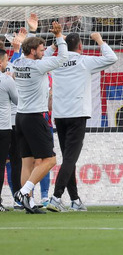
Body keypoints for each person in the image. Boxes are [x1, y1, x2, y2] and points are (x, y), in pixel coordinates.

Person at [45, 32, 118, 213]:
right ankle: (56, 197)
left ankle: (75, 200)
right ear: (80, 47)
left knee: (69, 158)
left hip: (60, 116)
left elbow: (43, 58)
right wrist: (100, 41)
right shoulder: (84, 61)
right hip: (77, 115)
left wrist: (55, 45)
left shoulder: (56, 61)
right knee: (70, 158)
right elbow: (111, 58)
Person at [13, 21, 69, 214]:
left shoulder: (18, 62)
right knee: (50, 160)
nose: (44, 52)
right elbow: (62, 57)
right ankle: (24, 192)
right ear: (33, 51)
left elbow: (40, 54)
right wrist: (60, 36)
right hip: (35, 118)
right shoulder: (38, 67)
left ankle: (27, 202)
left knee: (27, 162)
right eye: (41, 49)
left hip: (20, 118)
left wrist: (36, 37)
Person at [0, 47, 19, 212]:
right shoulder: (6, 80)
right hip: (3, 128)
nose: (7, 64)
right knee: (3, 165)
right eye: (6, 60)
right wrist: (13, 79)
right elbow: (18, 100)